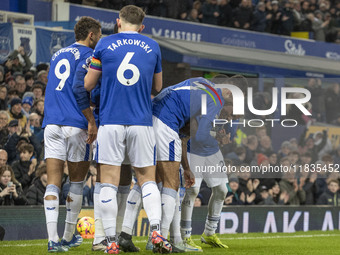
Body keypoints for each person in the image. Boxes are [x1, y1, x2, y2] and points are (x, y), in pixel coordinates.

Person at [84, 5, 168, 254]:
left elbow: (88, 84)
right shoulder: (152, 46)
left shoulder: (103, 44)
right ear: (142, 27)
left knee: (108, 181)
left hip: (110, 121)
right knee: (146, 179)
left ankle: (110, 241)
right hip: (141, 122)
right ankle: (155, 231)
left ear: (117, 21)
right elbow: (158, 86)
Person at [42, 16, 102, 252]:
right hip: (76, 122)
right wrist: (91, 120)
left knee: (53, 184)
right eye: (98, 36)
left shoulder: (57, 54)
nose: (99, 40)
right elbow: (81, 89)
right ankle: (67, 236)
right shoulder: (90, 56)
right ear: (91, 35)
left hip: (52, 123)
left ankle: (52, 239)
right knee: (77, 182)